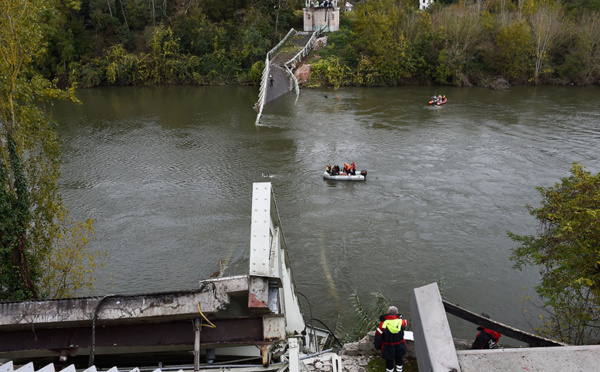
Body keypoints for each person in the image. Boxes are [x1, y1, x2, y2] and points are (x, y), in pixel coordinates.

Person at [374, 306, 408, 372]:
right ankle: (400, 370)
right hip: (400, 344)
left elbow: (378, 336)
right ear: (397, 313)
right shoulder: (403, 322)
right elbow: (405, 322)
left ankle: (390, 370)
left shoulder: (383, 324)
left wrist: (377, 346)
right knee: (399, 358)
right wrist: (399, 316)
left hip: (388, 345)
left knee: (389, 360)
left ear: (388, 313)